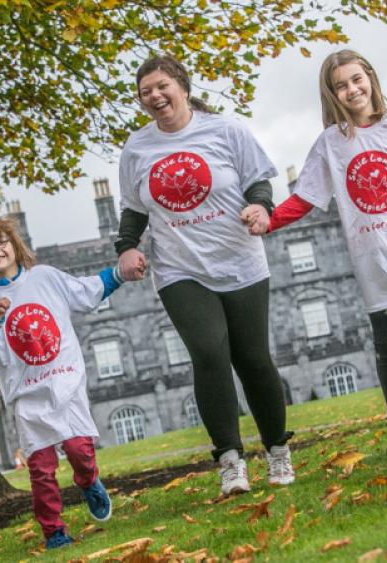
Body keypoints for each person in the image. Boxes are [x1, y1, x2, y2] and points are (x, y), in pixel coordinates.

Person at [243, 49, 387, 454]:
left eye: (356, 79)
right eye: (341, 85)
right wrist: (269, 220)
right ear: (331, 94)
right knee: (385, 342)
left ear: (370, 77)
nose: (352, 89)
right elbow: (305, 198)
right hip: (372, 256)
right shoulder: (331, 144)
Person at [116, 54, 294, 495]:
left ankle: (277, 450)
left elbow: (258, 181)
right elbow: (134, 209)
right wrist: (126, 249)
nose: (155, 96)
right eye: (145, 93)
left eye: (161, 86)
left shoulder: (225, 130)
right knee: (209, 351)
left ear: (182, 85)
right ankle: (230, 459)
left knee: (253, 360)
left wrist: (260, 207)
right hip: (180, 269)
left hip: (240, 261)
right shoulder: (137, 148)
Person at [0, 216, 124, 549]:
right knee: (42, 470)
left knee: (80, 451)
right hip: (27, 397)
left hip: (65, 383)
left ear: (15, 246)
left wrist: (120, 273)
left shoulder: (44, 278)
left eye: (1, 240)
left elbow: (88, 290)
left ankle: (89, 482)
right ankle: (54, 532)